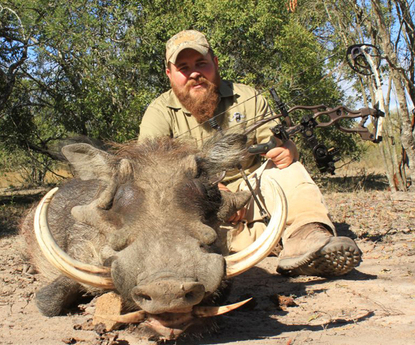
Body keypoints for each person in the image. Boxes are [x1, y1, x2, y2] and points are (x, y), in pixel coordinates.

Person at [138, 29, 361, 277]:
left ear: (215, 63)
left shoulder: (247, 96)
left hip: (254, 189)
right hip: (200, 202)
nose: (195, 73)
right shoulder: (158, 113)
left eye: (201, 63)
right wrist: (211, 190)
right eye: (183, 67)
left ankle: (307, 237)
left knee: (289, 171)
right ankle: (274, 242)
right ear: (169, 74)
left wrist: (288, 149)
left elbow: (275, 144)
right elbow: (151, 174)